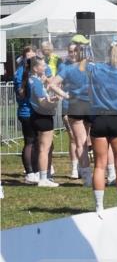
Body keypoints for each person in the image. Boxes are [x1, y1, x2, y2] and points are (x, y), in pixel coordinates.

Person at [86, 44, 117, 211]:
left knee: (99, 164)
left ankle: (99, 206)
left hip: (99, 117)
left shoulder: (96, 70)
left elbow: (89, 91)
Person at [52, 37, 93, 182]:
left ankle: (85, 171)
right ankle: (79, 169)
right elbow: (54, 84)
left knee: (84, 140)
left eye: (75, 51)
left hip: (82, 105)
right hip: (74, 106)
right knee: (76, 140)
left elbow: (53, 84)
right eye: (70, 51)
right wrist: (64, 96)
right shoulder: (66, 66)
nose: (73, 54)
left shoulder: (86, 65)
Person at [24, 56, 65, 187]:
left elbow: (41, 98)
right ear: (36, 68)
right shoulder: (35, 81)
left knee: (46, 147)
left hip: (39, 116)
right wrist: (55, 101)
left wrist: (51, 98)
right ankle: (43, 178)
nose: (45, 67)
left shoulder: (34, 80)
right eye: (43, 65)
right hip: (42, 117)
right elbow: (42, 103)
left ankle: (45, 176)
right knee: (44, 149)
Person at [14, 45, 41, 183]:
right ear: (24, 58)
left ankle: (36, 171)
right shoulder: (21, 73)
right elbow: (23, 94)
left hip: (34, 111)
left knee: (36, 142)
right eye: (28, 57)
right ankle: (30, 173)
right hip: (26, 112)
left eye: (33, 57)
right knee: (30, 142)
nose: (31, 59)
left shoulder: (31, 73)